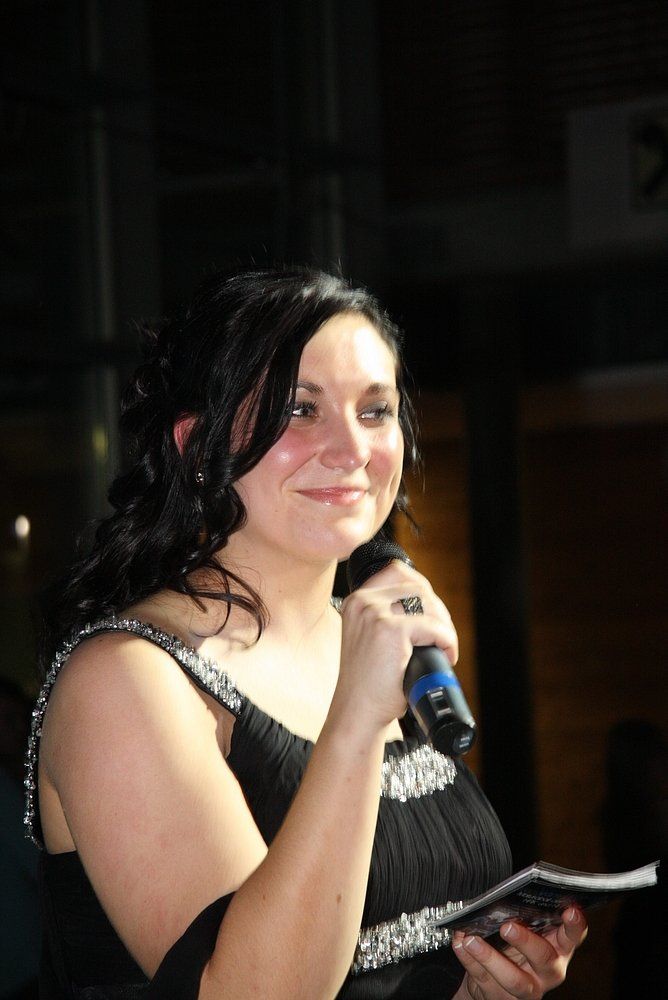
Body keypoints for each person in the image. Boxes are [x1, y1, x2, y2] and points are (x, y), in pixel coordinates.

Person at [25, 267, 587, 999]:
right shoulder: (125, 679)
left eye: (375, 410)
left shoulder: (371, 643)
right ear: (197, 446)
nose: (352, 449)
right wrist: (355, 718)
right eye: (300, 409)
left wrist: (482, 986)